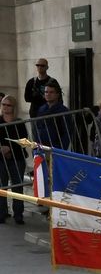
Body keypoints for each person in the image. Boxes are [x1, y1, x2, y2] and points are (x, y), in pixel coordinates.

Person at [0, 95, 29, 225]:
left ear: (14, 107)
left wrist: (9, 149)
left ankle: (18, 214)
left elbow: (22, 140)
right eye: (3, 104)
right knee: (2, 186)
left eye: (8, 105)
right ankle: (2, 213)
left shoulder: (19, 122)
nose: (5, 107)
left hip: (17, 158)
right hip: (0, 158)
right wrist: (2, 149)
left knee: (17, 186)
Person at [35, 81, 72, 150]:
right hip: (41, 147)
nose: (48, 94)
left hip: (56, 148)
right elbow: (38, 129)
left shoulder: (63, 111)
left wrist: (61, 149)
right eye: (46, 92)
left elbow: (66, 133)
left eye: (51, 92)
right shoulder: (41, 109)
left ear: (57, 94)